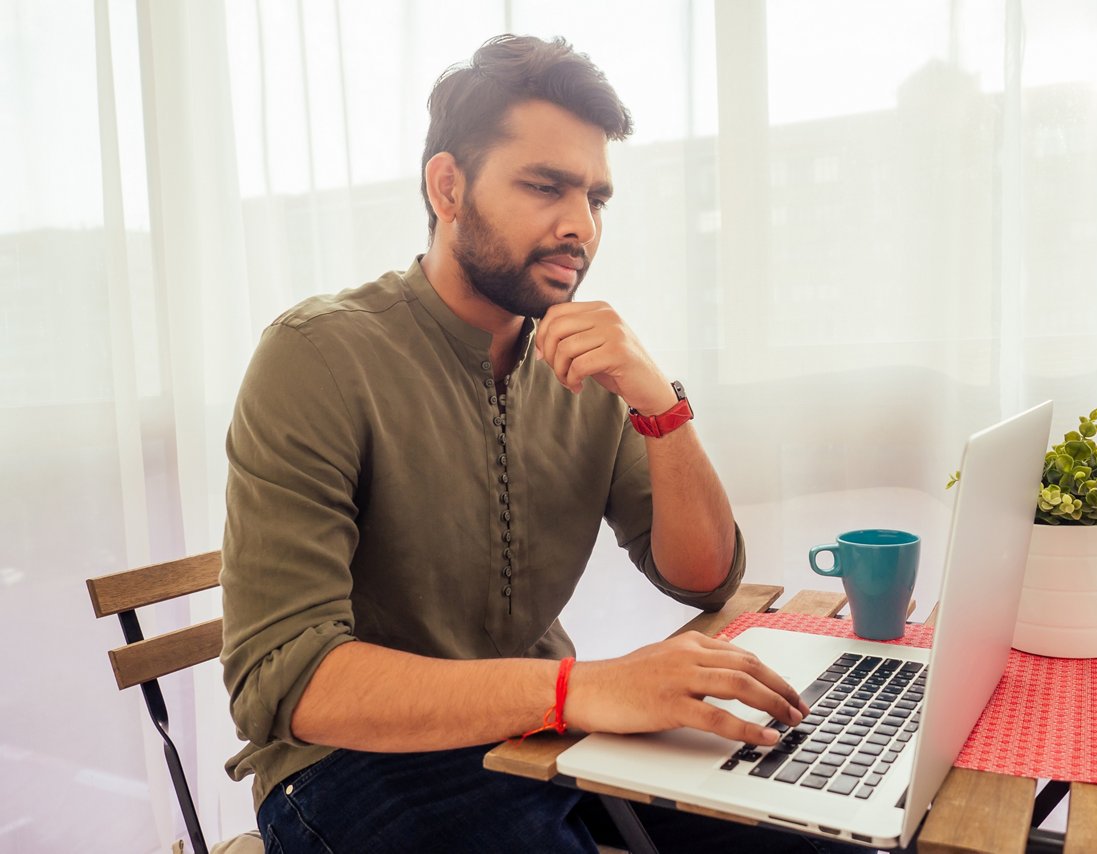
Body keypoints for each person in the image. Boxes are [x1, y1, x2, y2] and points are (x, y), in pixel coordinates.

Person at [221, 34, 855, 853]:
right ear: (448, 187)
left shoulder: (586, 364)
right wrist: (580, 690)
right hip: (347, 765)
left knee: (817, 825)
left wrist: (660, 403)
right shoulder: (316, 356)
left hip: (542, 735)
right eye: (546, 187)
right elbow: (288, 678)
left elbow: (703, 577)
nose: (580, 226)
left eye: (596, 197)